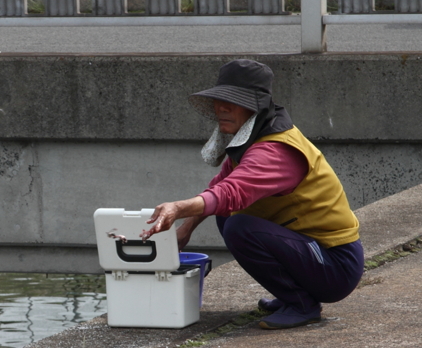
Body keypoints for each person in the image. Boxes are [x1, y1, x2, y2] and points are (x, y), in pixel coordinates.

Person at [141, 59, 364, 330]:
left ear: (255, 107)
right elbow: (219, 186)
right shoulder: (251, 139)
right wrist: (186, 228)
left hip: (335, 264)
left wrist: (177, 208)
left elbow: (232, 192)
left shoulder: (275, 150)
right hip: (312, 251)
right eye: (219, 100)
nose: (221, 108)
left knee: (238, 225)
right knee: (226, 217)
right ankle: (291, 296)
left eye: (232, 101)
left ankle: (301, 305)